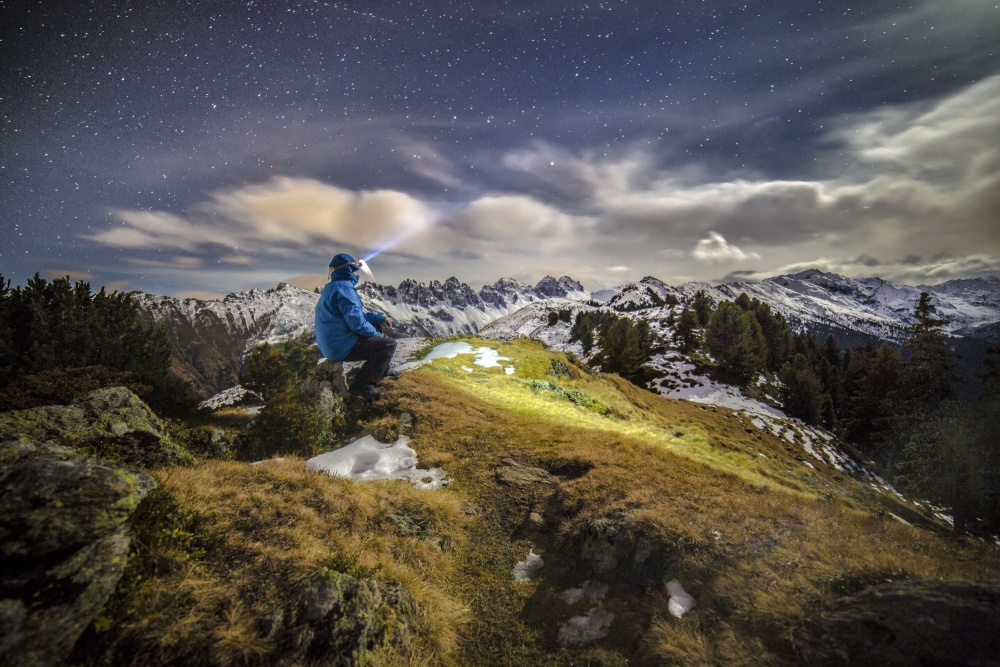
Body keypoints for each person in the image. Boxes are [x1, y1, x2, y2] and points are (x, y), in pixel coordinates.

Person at [314, 253, 399, 401]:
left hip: (333, 343)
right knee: (388, 345)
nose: (358, 273)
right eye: (355, 270)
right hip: (341, 347)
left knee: (376, 330)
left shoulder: (333, 287)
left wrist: (378, 318)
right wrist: (376, 335)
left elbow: (355, 315)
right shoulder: (344, 289)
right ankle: (362, 385)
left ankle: (384, 369)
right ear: (349, 271)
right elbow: (357, 323)